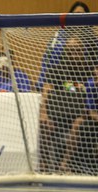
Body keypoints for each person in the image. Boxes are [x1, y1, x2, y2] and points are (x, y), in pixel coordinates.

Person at [38, 37, 92, 172]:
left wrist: (66, 86)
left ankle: (64, 164)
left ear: (83, 50)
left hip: (78, 114)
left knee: (77, 126)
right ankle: (44, 163)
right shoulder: (57, 68)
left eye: (78, 49)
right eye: (71, 50)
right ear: (66, 51)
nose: (75, 52)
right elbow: (47, 88)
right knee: (44, 125)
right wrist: (43, 112)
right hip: (56, 112)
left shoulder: (89, 69)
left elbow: (88, 88)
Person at [35, 1, 98, 92]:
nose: (78, 19)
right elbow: (46, 64)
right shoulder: (57, 40)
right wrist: (41, 84)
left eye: (82, 15)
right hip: (60, 85)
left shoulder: (94, 43)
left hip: (88, 88)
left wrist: (87, 86)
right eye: (75, 15)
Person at [60, 60, 98, 174]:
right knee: (80, 123)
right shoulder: (91, 84)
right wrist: (93, 114)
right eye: (95, 76)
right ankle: (69, 164)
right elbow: (67, 86)